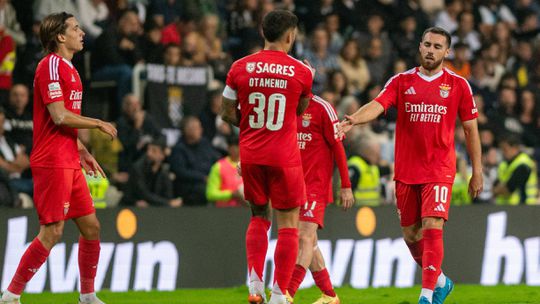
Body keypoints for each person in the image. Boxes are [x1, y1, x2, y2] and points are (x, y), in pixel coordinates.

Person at [338, 27, 483, 304]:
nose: (431, 50)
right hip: (406, 169)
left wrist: (477, 171)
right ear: (420, 46)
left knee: (432, 225)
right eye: (427, 44)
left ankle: (427, 295)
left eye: (438, 46)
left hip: (439, 169)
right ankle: (440, 280)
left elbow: (470, 131)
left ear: (446, 52)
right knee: (411, 234)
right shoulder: (402, 81)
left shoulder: (458, 85)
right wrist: (354, 119)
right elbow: (378, 104)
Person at [0, 12, 117, 304]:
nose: (82, 33)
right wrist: (98, 123)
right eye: (76, 28)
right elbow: (59, 115)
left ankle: (87, 296)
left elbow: (62, 123)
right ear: (60, 37)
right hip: (52, 160)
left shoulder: (72, 70)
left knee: (91, 227)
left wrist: (82, 150)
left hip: (69, 159)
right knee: (52, 232)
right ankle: (11, 294)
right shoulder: (50, 65)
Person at [220, 10, 314, 304]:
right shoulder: (302, 72)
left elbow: (225, 111)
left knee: (259, 216)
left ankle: (254, 284)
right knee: (288, 224)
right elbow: (299, 111)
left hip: (251, 154)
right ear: (290, 35)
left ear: (263, 33)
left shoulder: (239, 67)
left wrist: (250, 125)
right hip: (284, 156)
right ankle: (278, 294)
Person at [287, 95, 354, 304]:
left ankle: (288, 294)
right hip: (292, 184)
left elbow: (338, 147)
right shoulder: (287, 105)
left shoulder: (323, 108)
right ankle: (330, 295)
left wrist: (345, 185)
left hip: (315, 185)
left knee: (304, 237)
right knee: (311, 242)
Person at [122, 136, 182, 207]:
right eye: (148, 150)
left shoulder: (164, 171)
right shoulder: (137, 168)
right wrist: (168, 203)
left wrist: (168, 202)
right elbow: (143, 194)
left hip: (156, 208)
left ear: (162, 155)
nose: (149, 153)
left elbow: (168, 195)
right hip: (133, 207)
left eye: (154, 151)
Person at [493, 135, 538, 205]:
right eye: (501, 149)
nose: (503, 152)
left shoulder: (523, 164)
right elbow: (494, 187)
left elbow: (506, 190)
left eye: (505, 149)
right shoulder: (504, 164)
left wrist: (497, 190)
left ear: (515, 148)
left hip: (524, 207)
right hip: (507, 208)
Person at [206, 136, 245, 207]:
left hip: (247, 212)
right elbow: (210, 194)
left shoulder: (251, 165)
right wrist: (232, 195)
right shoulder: (219, 166)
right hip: (224, 213)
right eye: (232, 147)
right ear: (228, 148)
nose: (235, 149)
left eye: (237, 146)